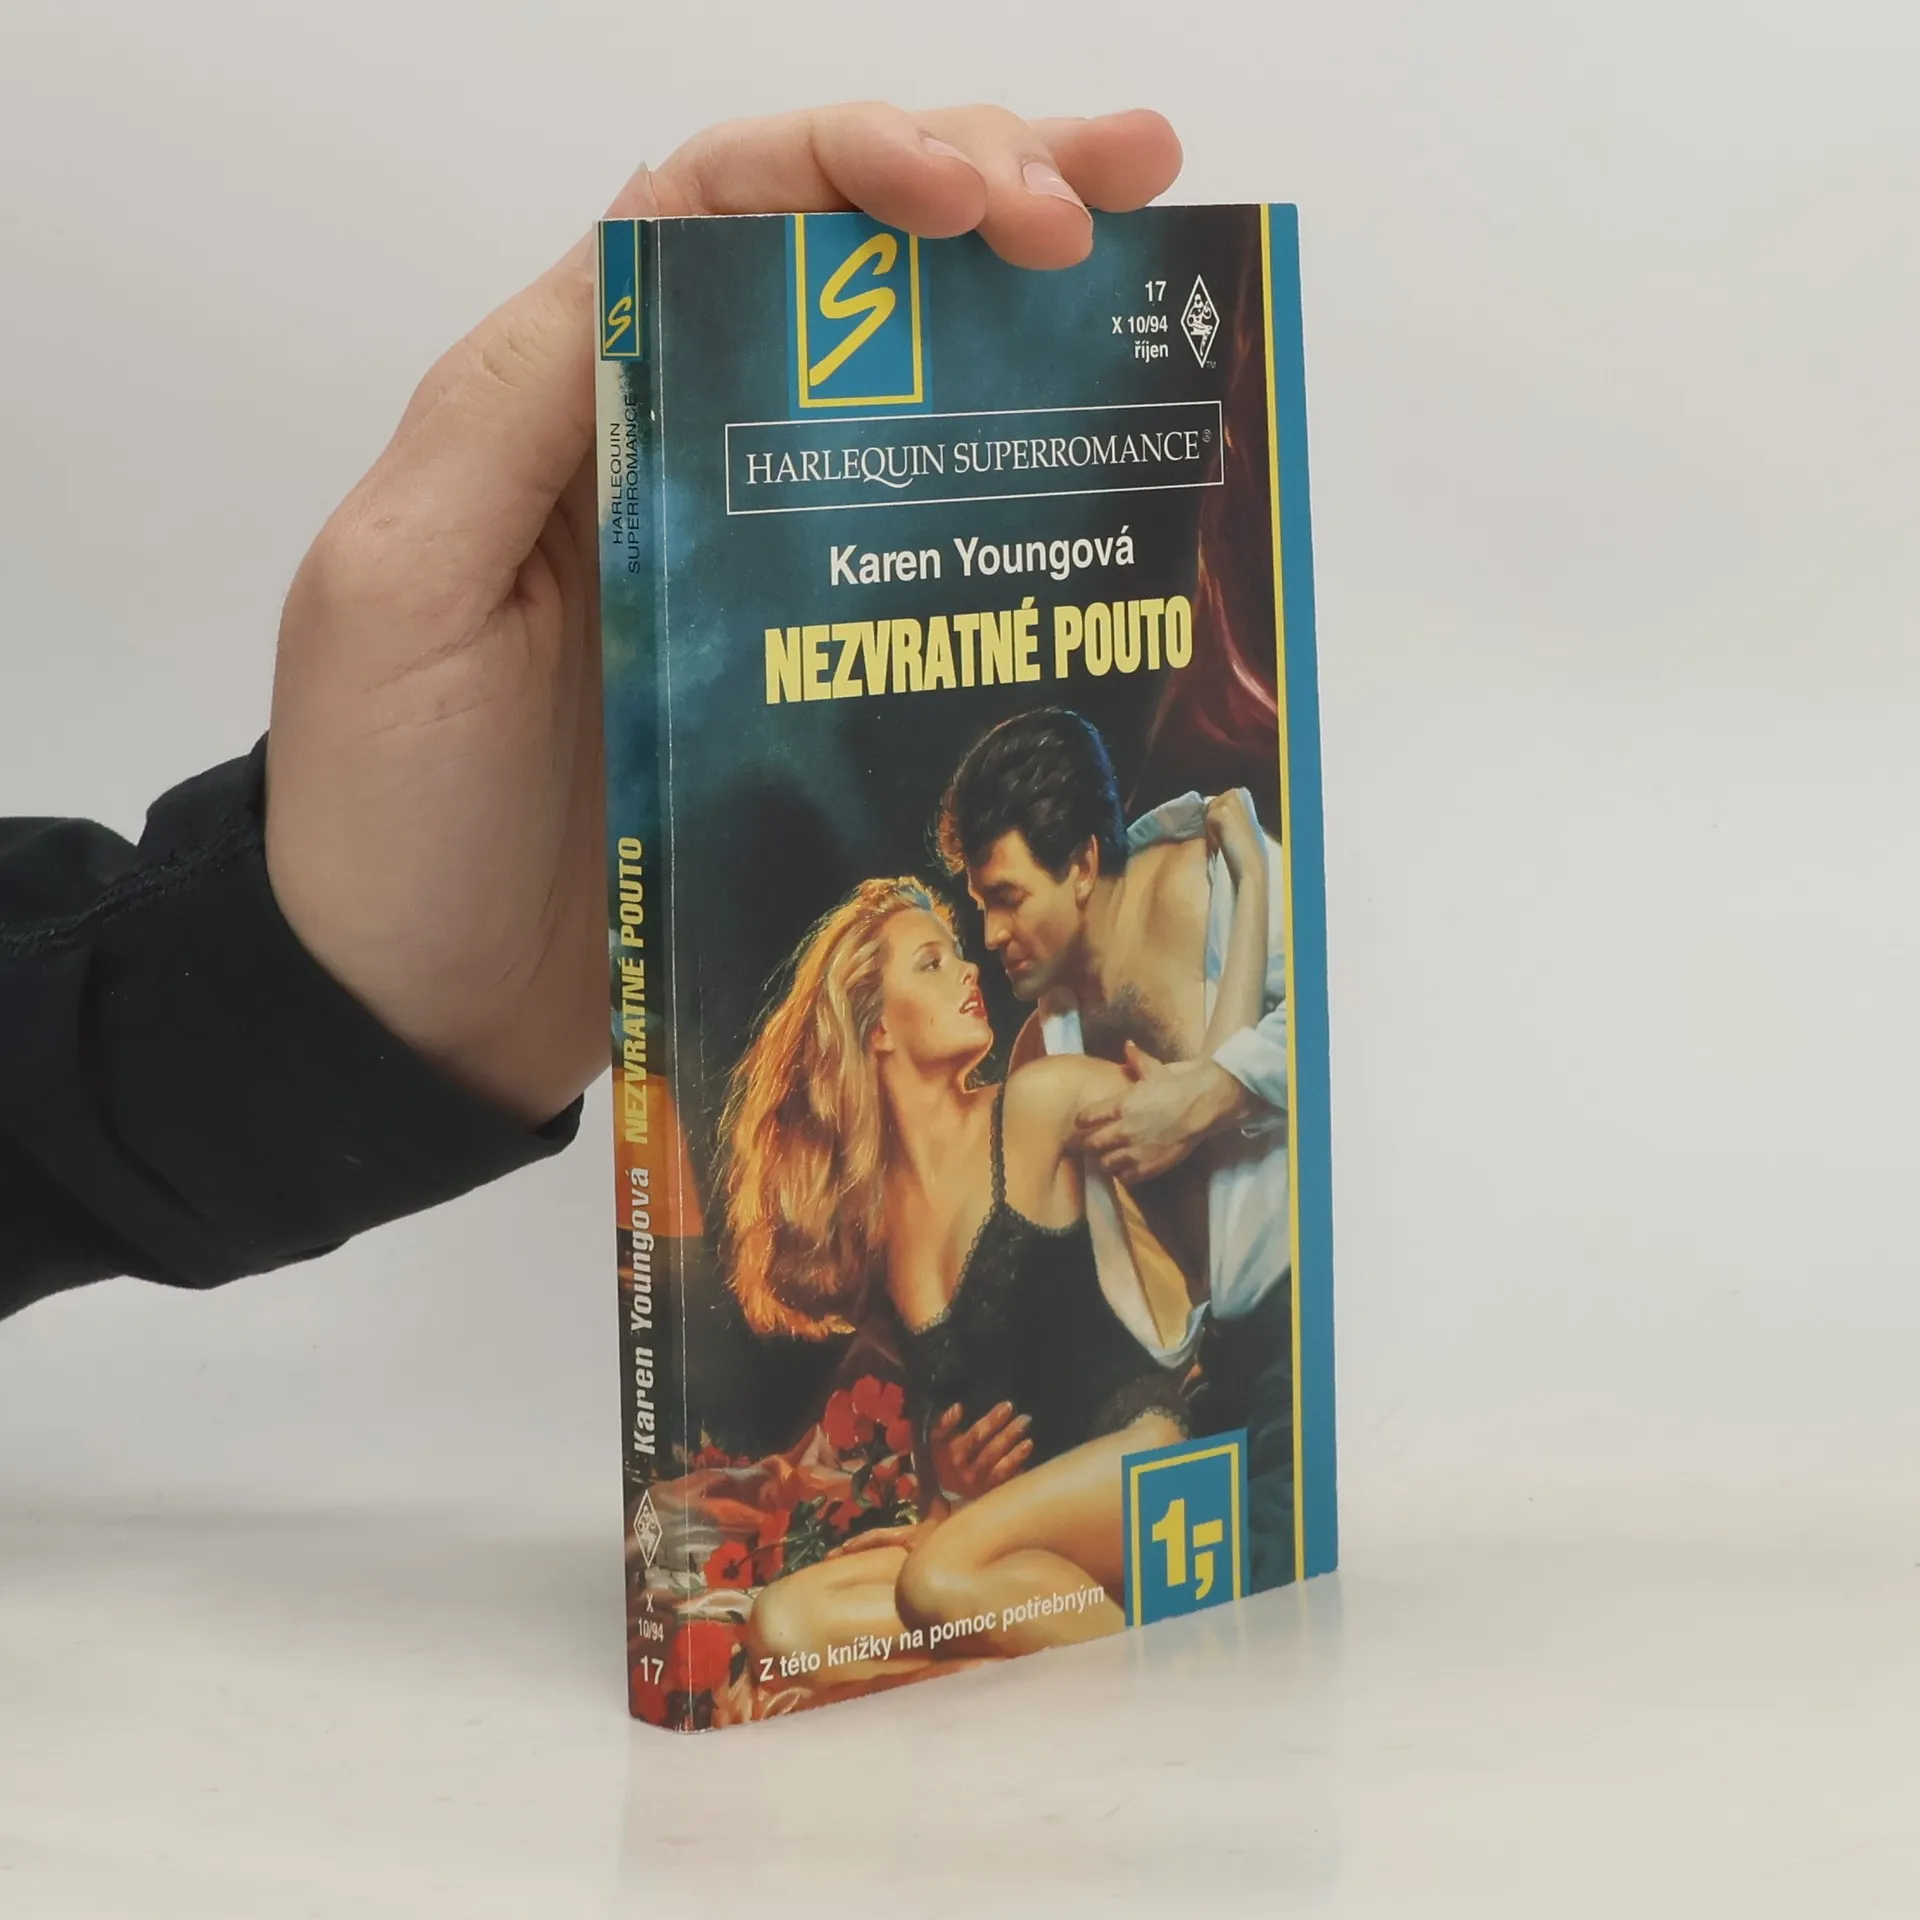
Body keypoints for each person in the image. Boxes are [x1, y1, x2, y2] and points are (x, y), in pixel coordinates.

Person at [0, 103, 1184, 1323]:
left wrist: (299, 975)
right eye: (948, 941)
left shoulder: (1063, 1078)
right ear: (873, 1033)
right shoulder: (858, 1212)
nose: (980, 949)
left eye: (961, 929)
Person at [723, 860, 1267, 1687]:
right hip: (1011, 1534)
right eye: (931, 963)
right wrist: (946, 1500)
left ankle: (1160, 1688)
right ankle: (1051, 1633)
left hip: (1132, 1462)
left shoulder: (1038, 1107)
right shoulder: (874, 1228)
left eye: (957, 955)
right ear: (876, 1029)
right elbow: (946, 1421)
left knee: (937, 1578)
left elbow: (1207, 1104)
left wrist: (1251, 885)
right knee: (784, 1624)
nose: (969, 970)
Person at [933, 708, 1296, 1590]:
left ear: (1085, 865)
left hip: (1302, 1338)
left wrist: (1214, 1091)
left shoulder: (1208, 882)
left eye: (1008, 898)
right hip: (1200, 1396)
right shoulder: (1045, 1049)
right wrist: (961, 1471)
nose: (990, 935)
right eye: (981, 906)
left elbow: (1346, 1018)